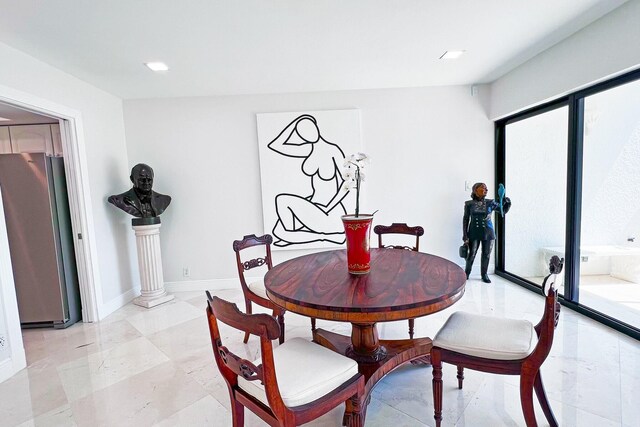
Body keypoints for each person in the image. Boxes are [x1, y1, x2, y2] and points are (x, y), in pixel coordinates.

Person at [267, 114, 349, 247]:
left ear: (316, 127)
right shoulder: (308, 149)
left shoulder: (333, 150)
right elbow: (275, 145)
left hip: (329, 211)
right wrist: (294, 124)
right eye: (302, 132)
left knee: (282, 200)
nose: (307, 134)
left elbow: (347, 182)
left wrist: (328, 207)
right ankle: (325, 237)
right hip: (314, 205)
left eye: (309, 129)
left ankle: (293, 236)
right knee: (278, 230)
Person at [462, 182, 511, 283]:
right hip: (474, 232)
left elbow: (502, 211)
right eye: (483, 188)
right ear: (475, 190)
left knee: (486, 254)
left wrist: (507, 203)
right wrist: (465, 235)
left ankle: (484, 274)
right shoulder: (469, 204)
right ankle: (466, 273)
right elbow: (466, 219)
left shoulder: (491, 202)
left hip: (488, 232)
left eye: (486, 188)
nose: (486, 190)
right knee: (471, 254)